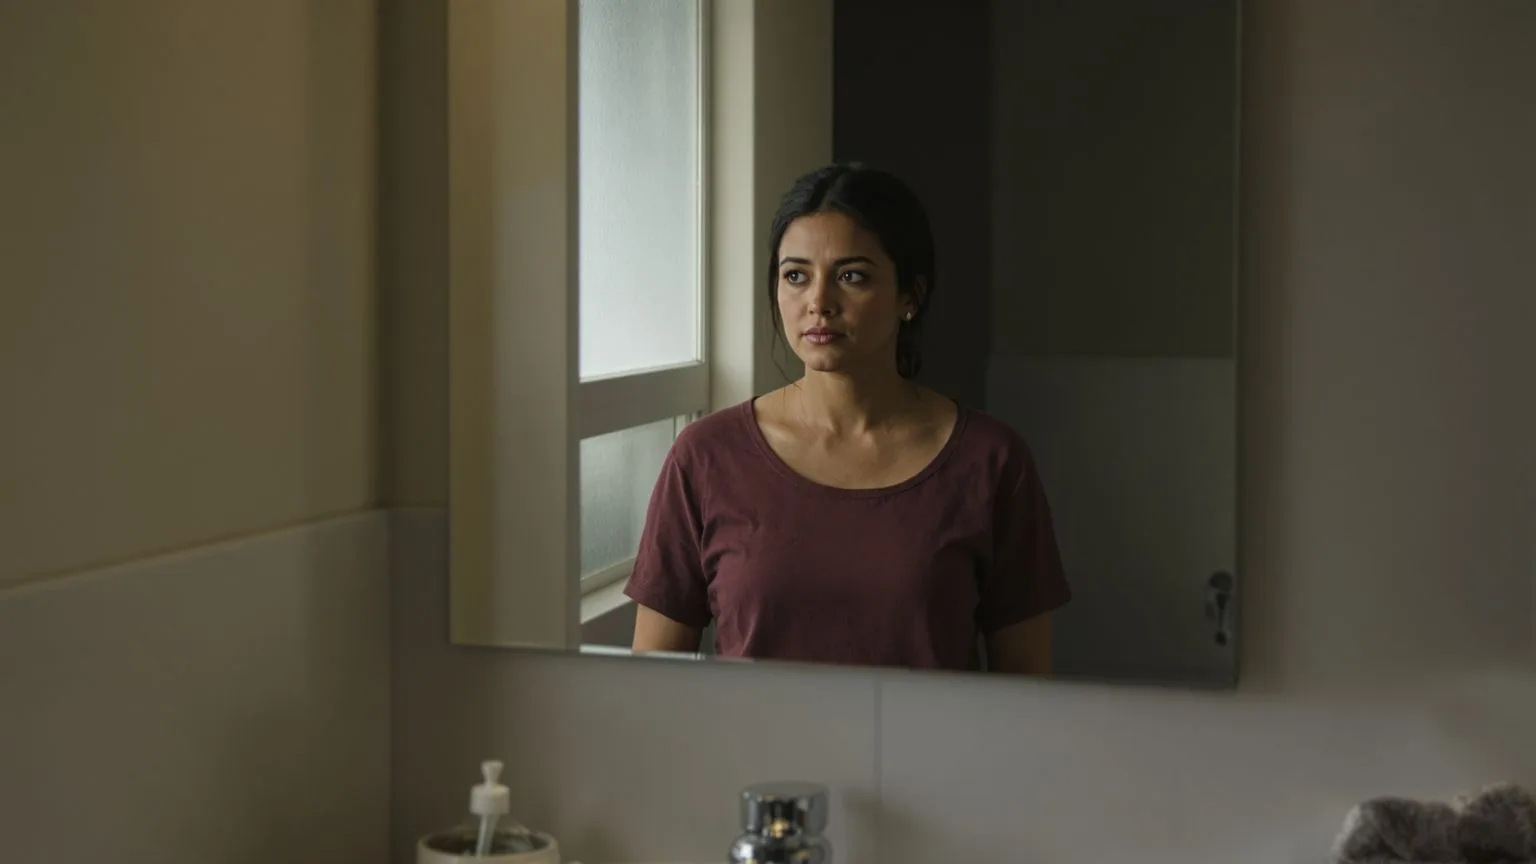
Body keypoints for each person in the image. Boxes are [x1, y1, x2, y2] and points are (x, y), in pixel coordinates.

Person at [624, 163, 1070, 673]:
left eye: (851, 277)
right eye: (796, 276)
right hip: (752, 753)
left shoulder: (992, 462)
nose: (818, 303)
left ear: (911, 295)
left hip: (934, 754)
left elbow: (1028, 689)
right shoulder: (705, 456)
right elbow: (652, 684)